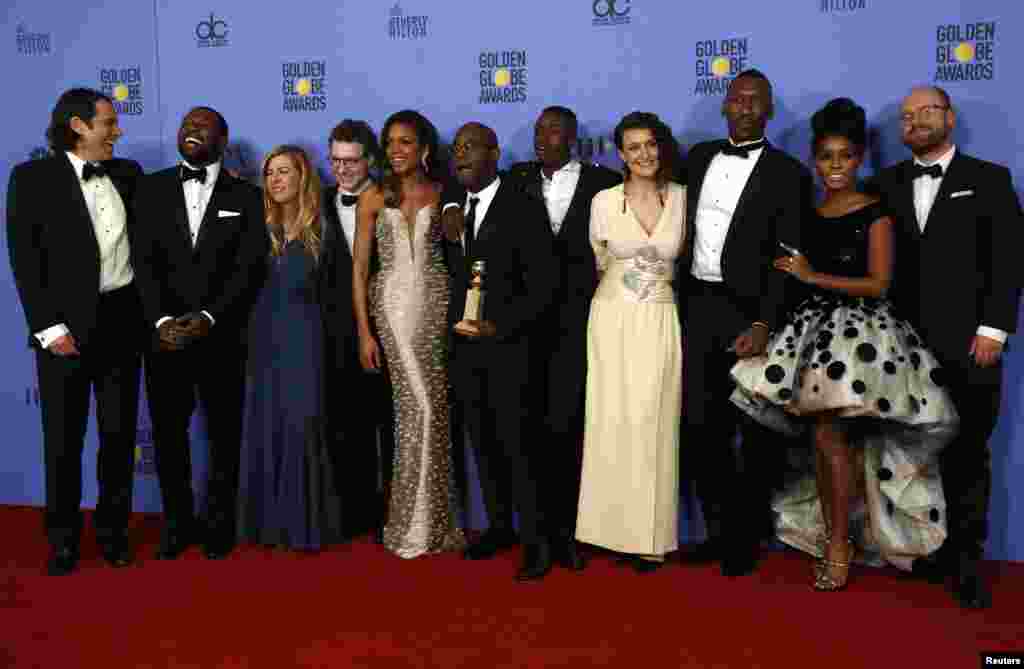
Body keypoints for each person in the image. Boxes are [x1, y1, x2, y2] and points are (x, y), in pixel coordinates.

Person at [731, 97, 959, 591]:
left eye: (845, 157)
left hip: (862, 340)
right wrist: (778, 299)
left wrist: (814, 275)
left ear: (859, 159)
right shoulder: (808, 211)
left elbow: (878, 283)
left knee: (838, 440)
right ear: (815, 160)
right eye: (826, 158)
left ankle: (841, 543)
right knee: (826, 440)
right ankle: (840, 537)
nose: (835, 167)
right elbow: (789, 274)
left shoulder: (876, 210)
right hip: (809, 336)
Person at [872, 86, 1022, 609]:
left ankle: (967, 564)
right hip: (905, 350)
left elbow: (1008, 261)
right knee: (913, 454)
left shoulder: (990, 179)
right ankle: (926, 550)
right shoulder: (886, 183)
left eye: (927, 112)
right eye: (907, 116)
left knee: (967, 455)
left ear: (950, 119)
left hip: (970, 344)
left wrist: (994, 329)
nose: (916, 121)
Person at [675, 69, 814, 577]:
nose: (746, 106)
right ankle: (715, 533)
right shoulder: (696, 158)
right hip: (695, 306)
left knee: (753, 433)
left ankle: (746, 539)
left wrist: (764, 320)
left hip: (750, 312)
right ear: (724, 107)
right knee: (699, 426)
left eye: (756, 100)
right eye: (738, 98)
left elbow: (788, 254)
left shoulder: (790, 173)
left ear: (770, 110)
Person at [6, 87, 145, 575]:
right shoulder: (31, 178)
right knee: (63, 440)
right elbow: (25, 259)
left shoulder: (128, 173)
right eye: (108, 122)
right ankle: (63, 540)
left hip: (123, 325)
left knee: (117, 434)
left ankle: (113, 534)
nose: (117, 130)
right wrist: (48, 328)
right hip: (65, 332)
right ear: (79, 125)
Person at [132, 106, 268, 561]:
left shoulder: (247, 196)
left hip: (221, 339)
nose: (192, 130)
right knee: (169, 438)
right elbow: (141, 264)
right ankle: (176, 525)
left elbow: (249, 267)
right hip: (164, 339)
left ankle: (219, 526)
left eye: (203, 126)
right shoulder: (149, 189)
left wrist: (210, 317)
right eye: (187, 124)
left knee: (223, 438)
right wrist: (159, 322)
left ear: (223, 139)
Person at [442, 122, 560, 581]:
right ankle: (497, 528)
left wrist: (501, 325)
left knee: (519, 448)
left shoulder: (522, 205)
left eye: (470, 147)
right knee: (483, 443)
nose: (461, 155)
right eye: (456, 149)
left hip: (511, 349)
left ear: (494, 154)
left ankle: (537, 544)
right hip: (466, 348)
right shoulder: (457, 207)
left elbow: (545, 287)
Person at [505, 106, 622, 571]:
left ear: (573, 136)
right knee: (526, 435)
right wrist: (453, 205)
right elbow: (462, 190)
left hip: (579, 326)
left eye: (552, 130)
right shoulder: (514, 179)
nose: (542, 137)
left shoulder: (603, 182)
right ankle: (534, 542)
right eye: (537, 130)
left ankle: (568, 535)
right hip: (521, 328)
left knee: (569, 432)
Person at [574, 112, 685, 572]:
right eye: (634, 147)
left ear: (662, 147)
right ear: (621, 153)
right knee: (610, 419)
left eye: (651, 144)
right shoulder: (602, 201)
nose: (644, 154)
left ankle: (649, 537)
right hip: (611, 317)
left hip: (660, 316)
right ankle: (606, 532)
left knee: (654, 421)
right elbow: (599, 259)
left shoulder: (682, 198)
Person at [352, 110, 464, 558]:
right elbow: (360, 269)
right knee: (413, 407)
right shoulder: (374, 196)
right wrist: (364, 332)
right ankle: (408, 525)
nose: (396, 150)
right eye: (390, 142)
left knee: (434, 411)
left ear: (424, 148)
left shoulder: (444, 193)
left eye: (405, 142)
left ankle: (436, 523)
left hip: (436, 304)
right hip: (391, 308)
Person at [235, 145, 345, 550]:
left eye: (284, 171)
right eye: (269, 173)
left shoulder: (324, 225)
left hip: (307, 334)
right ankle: (268, 527)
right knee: (268, 421)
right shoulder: (256, 225)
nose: (276, 180)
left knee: (304, 421)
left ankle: (306, 526)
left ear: (303, 176)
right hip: (264, 334)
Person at [321, 120, 395, 541]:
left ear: (369, 159)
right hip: (334, 334)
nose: (343, 169)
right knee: (345, 427)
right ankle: (354, 514)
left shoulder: (391, 197)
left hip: (389, 328)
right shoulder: (319, 203)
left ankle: (394, 513)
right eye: (335, 160)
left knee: (390, 426)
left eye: (351, 161)